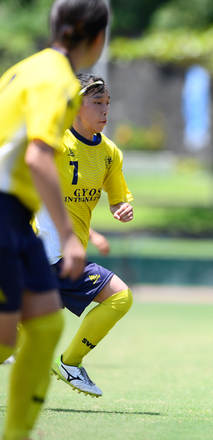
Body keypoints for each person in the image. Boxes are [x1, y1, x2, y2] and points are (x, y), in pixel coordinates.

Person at [0, 0, 108, 438]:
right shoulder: (57, 82)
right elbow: (38, 157)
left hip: (14, 213)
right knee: (8, 339)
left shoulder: (22, 69)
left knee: (44, 325)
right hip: (5, 210)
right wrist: (70, 235)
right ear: (97, 39)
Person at [33, 74, 134, 399]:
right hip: (42, 253)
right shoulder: (54, 142)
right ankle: (70, 363)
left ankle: (70, 363)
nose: (105, 110)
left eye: (107, 103)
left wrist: (122, 209)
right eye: (96, 103)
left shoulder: (109, 153)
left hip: (65, 257)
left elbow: (118, 198)